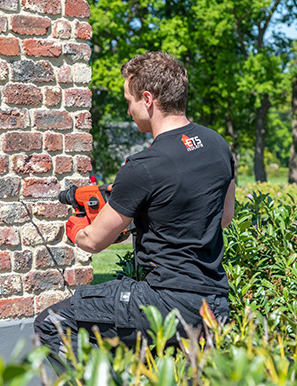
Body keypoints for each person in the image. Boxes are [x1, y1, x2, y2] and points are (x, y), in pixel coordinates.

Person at [34, 51, 236, 366]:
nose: (128, 109)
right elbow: (223, 218)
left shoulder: (143, 166)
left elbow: (94, 242)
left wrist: (77, 228)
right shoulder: (217, 145)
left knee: (52, 324)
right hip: (214, 302)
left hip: (165, 302)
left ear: (147, 99)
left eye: (129, 100)